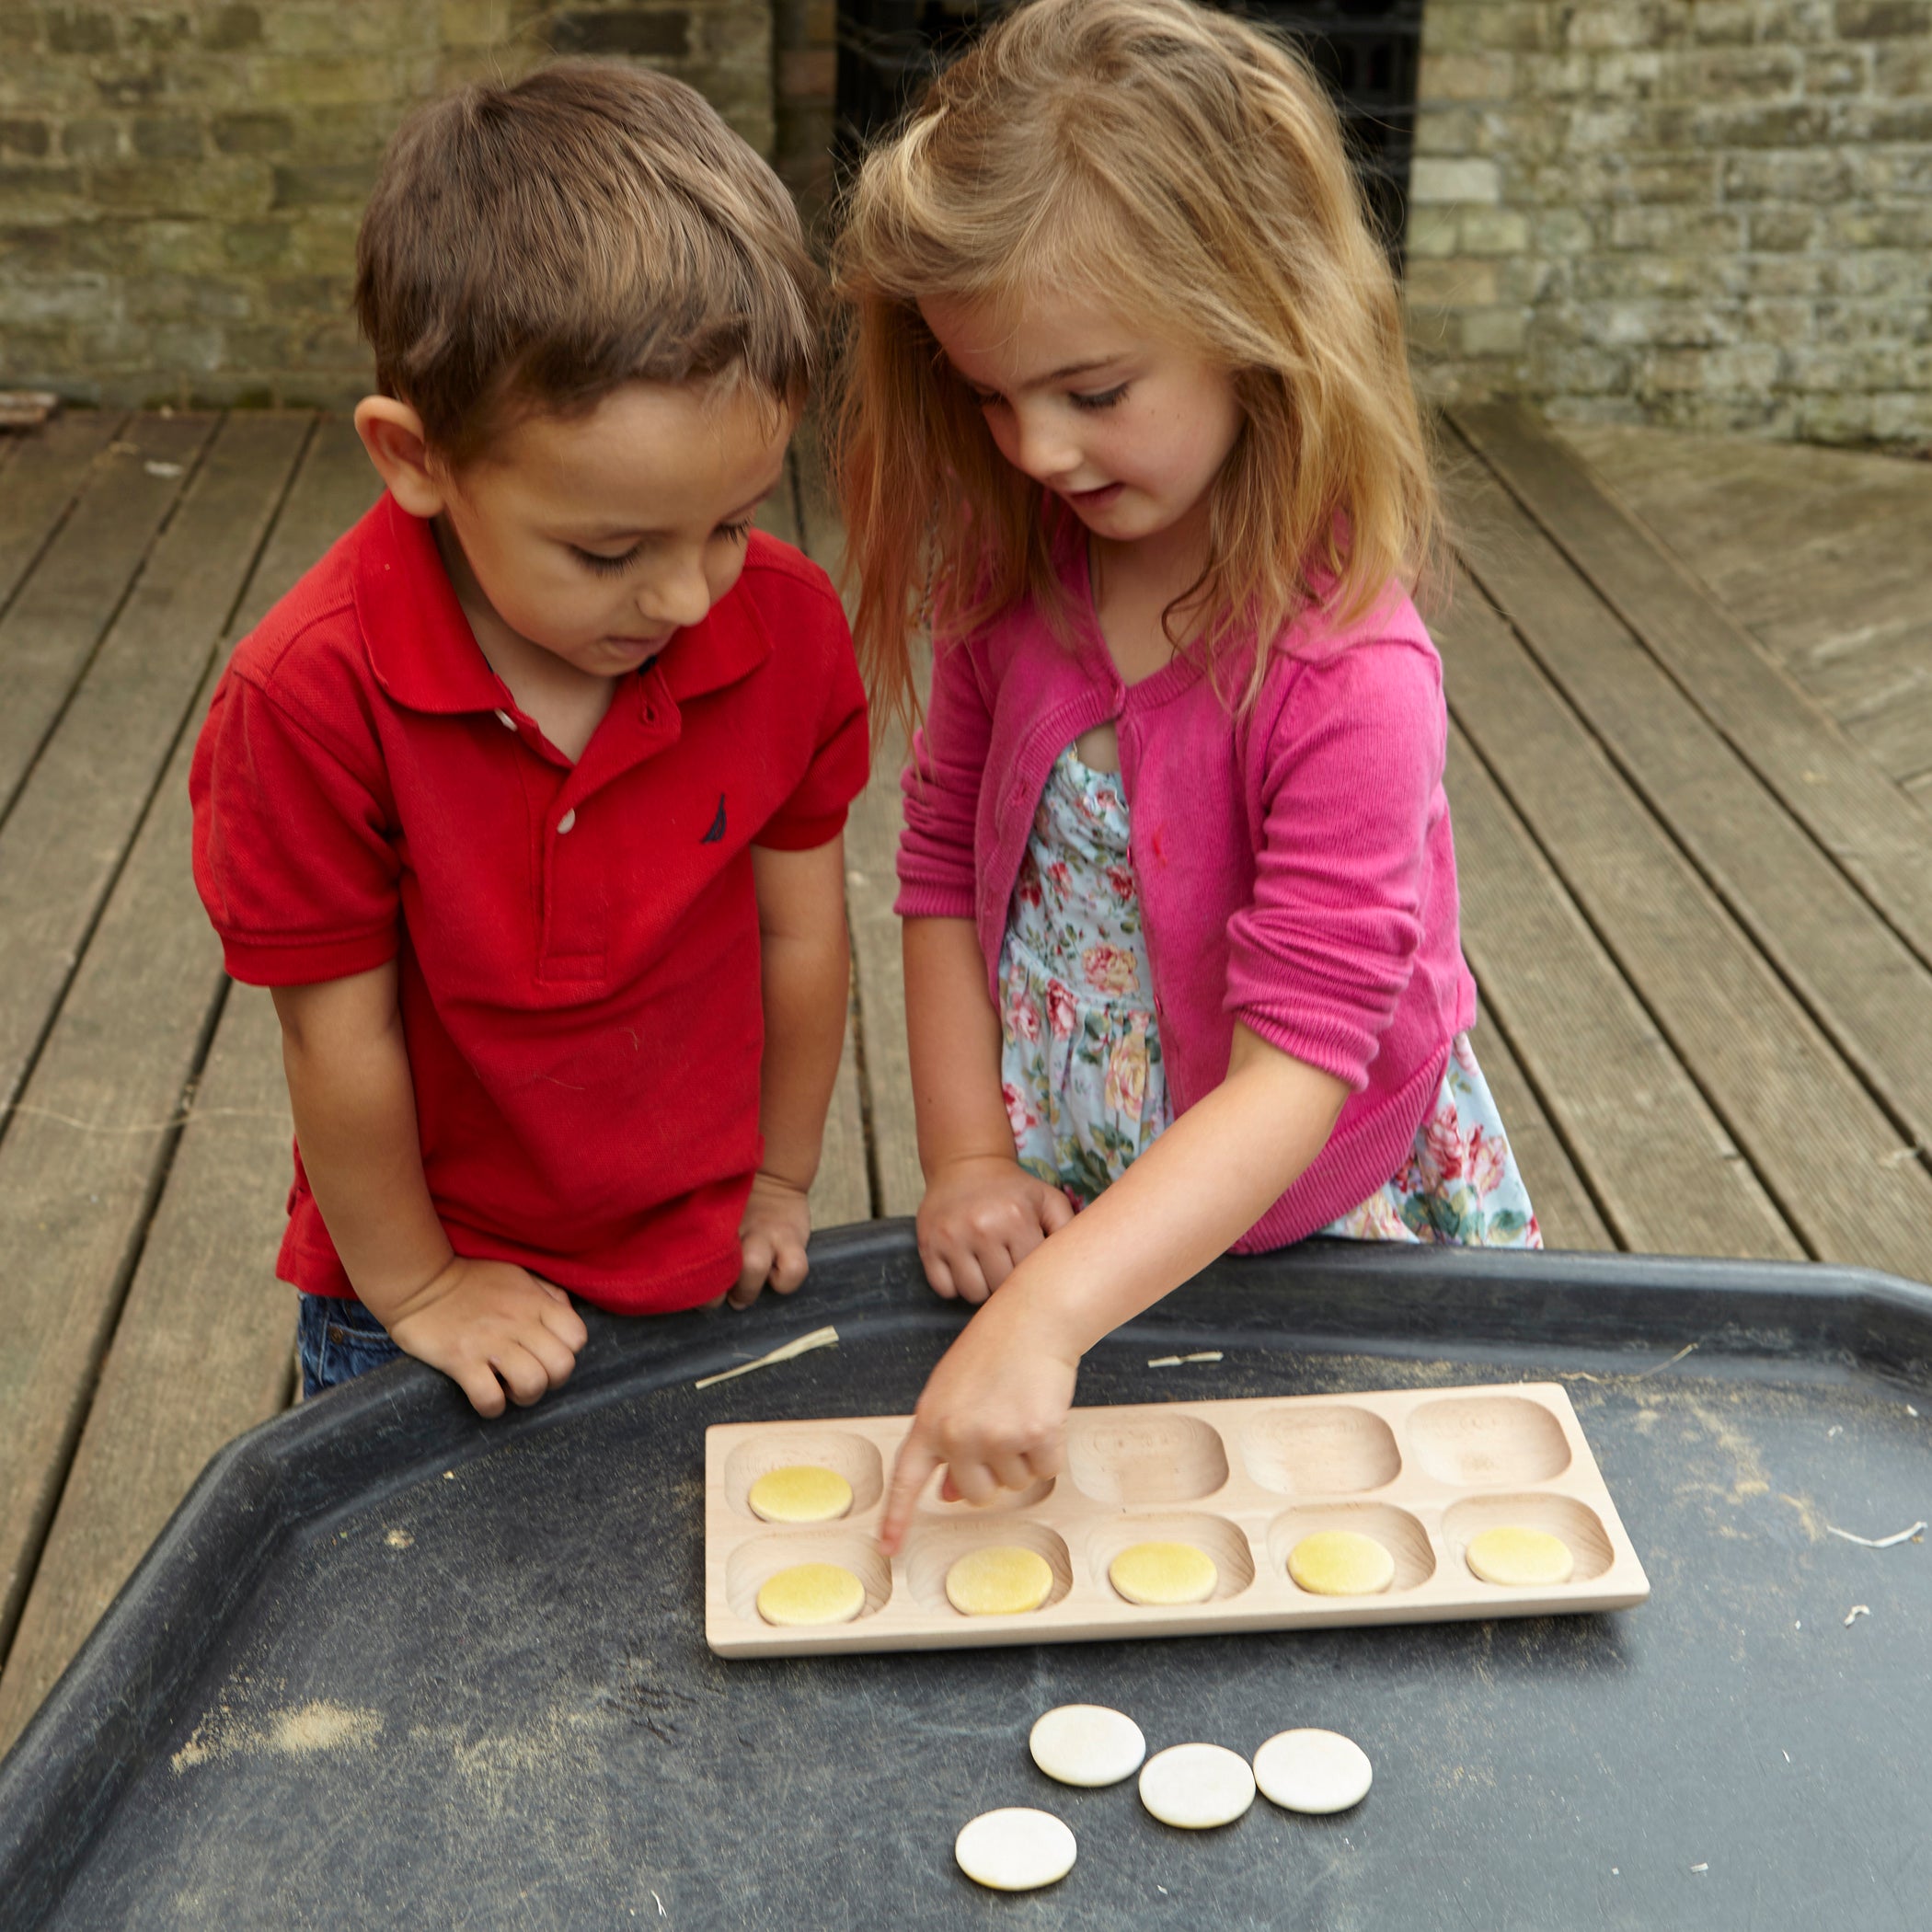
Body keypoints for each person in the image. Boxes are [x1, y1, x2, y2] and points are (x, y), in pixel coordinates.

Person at [834, 0, 1539, 1548]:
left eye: (1091, 392)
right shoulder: (1013, 584)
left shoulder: (1350, 679)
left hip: (1313, 1196)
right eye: (990, 396)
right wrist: (962, 1157)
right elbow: (943, 868)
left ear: (1258, 318)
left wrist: (1047, 1315)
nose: (1032, 452)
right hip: (1076, 1169)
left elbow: (1302, 1057)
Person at [190, 63, 868, 1413]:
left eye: (733, 520)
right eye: (610, 549)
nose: (686, 597)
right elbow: (341, 1041)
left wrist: (783, 1174)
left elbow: (804, 932)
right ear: (417, 458)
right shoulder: (308, 702)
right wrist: (424, 1289)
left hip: (705, 1251)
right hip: (428, 1297)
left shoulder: (783, 630)